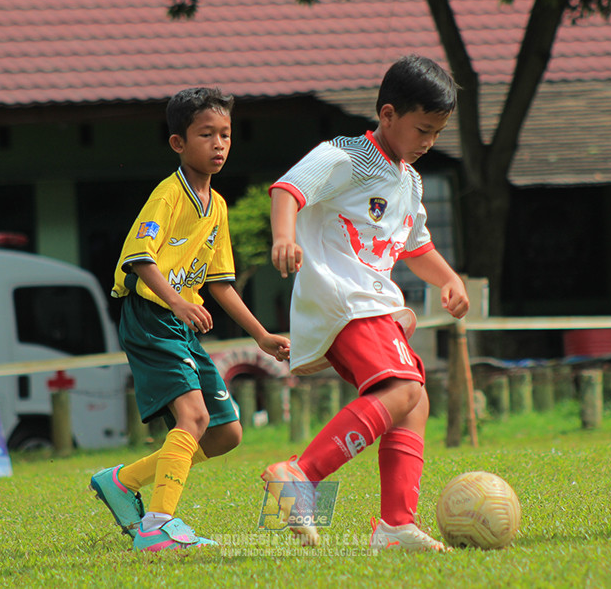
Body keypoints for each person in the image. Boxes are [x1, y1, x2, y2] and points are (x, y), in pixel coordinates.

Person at [264, 54, 469, 552]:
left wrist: (448, 278)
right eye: (422, 129)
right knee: (403, 387)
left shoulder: (410, 180)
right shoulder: (346, 155)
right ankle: (299, 475)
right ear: (388, 114)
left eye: (437, 133)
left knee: (413, 403)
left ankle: (396, 526)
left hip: (373, 299)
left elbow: (415, 246)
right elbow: (288, 190)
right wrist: (284, 238)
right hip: (344, 295)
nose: (428, 142)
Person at [89, 87, 290, 552]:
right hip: (151, 316)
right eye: (206, 135)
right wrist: (178, 302)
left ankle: (123, 481)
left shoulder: (216, 206)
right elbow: (141, 258)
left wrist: (259, 335)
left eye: (226, 135)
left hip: (178, 323)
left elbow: (219, 283)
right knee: (193, 416)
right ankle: (157, 527)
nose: (219, 144)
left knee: (225, 433)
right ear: (179, 143)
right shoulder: (168, 196)